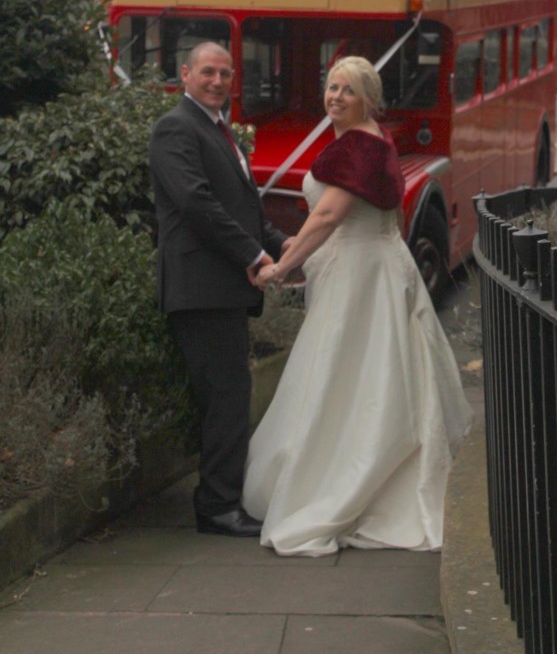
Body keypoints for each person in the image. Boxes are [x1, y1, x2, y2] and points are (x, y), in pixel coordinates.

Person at [242, 56, 473, 556]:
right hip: (375, 268)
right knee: (372, 373)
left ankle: (340, 486)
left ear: (368, 97)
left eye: (347, 90)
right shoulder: (372, 139)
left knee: (347, 374)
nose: (335, 97)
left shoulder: (359, 148)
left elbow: (326, 216)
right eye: (330, 88)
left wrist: (282, 270)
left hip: (361, 277)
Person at [149, 41, 288, 538]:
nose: (217, 81)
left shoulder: (219, 130)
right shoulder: (175, 128)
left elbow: (242, 205)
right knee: (227, 397)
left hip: (220, 288)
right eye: (207, 72)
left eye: (226, 74)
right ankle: (218, 508)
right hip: (201, 288)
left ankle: (220, 501)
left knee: (228, 396)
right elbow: (196, 202)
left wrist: (282, 244)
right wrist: (254, 256)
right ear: (184, 73)